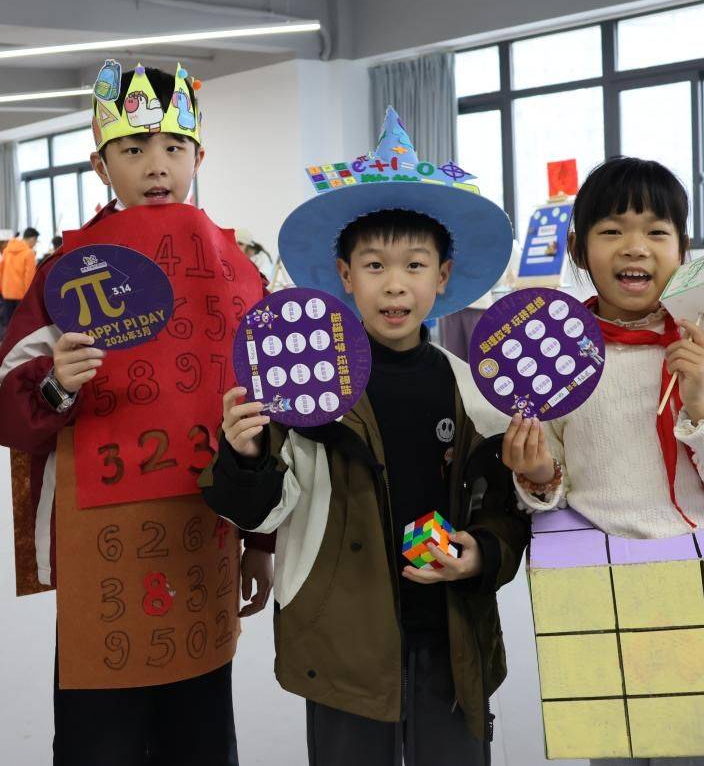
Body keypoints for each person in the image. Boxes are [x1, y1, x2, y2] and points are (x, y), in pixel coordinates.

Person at [202, 107, 527, 766]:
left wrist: (479, 555)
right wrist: (245, 455)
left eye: (414, 264)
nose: (395, 284)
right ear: (344, 276)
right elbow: (263, 511)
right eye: (374, 265)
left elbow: (502, 508)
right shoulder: (302, 392)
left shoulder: (473, 392)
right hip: (342, 637)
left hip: (450, 637)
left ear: (442, 276)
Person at [0, 61, 274, 765]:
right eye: (133, 148)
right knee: (100, 732)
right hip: (102, 531)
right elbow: (4, 412)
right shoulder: (67, 273)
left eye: (174, 147)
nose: (156, 166)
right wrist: (55, 383)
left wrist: (262, 539)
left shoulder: (238, 269)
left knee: (200, 728)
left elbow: (271, 416)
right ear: (101, 164)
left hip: (205, 520)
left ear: (198, 158)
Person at [503, 157, 704, 766]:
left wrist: (703, 405)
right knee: (614, 744)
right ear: (578, 249)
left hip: (701, 571)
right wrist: (538, 473)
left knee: (696, 745)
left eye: (656, 231)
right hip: (595, 572)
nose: (635, 247)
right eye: (611, 230)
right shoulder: (556, 345)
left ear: (683, 249)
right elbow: (552, 483)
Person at [0, 227, 37, 335]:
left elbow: (0, 271)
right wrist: (29, 296)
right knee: (23, 325)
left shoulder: (6, 250)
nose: (34, 245)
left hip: (7, 293)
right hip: (22, 295)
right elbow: (29, 277)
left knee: (9, 324)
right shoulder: (29, 253)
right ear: (32, 239)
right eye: (35, 242)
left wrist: (3, 288)